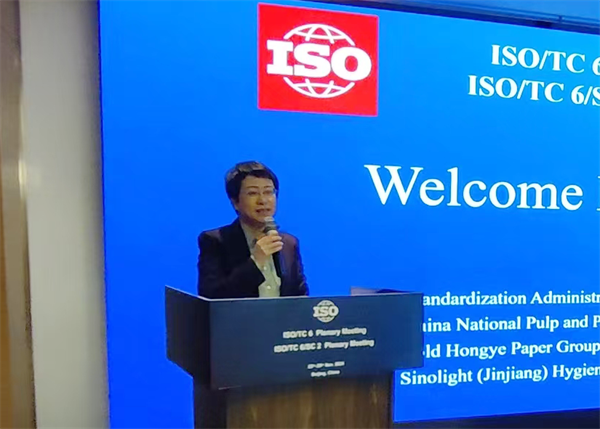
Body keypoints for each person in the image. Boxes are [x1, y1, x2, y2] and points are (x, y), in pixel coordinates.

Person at [197, 161, 309, 299]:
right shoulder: (216, 241)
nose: (263, 200)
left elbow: (301, 297)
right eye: (253, 193)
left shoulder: (289, 244)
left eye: (268, 192)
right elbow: (211, 297)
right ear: (235, 202)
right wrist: (256, 261)